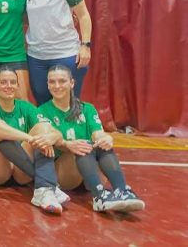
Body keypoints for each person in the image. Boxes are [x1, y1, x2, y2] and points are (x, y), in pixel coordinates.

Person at [39, 65, 145, 212]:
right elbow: (51, 141)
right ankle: (99, 196)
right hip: (65, 173)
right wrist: (68, 144)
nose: (57, 86)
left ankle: (122, 190)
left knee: (101, 144)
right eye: (52, 82)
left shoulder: (87, 108)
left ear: (72, 83)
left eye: (62, 81)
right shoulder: (41, 112)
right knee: (83, 146)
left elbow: (97, 133)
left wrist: (105, 138)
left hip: (90, 169)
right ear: (47, 85)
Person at [0, 66, 67, 214]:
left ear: (17, 85)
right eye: (3, 82)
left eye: (12, 82)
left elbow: (56, 133)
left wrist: (51, 137)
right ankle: (48, 184)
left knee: (42, 129)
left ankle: (44, 189)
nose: (8, 86)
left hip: (21, 172)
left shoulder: (26, 107)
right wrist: (27, 137)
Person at [23, 0, 92, 105]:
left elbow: (83, 15)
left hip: (66, 53)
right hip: (37, 57)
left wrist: (86, 46)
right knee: (43, 102)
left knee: (68, 102)